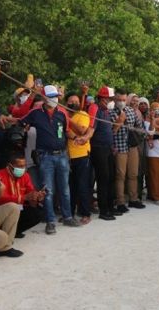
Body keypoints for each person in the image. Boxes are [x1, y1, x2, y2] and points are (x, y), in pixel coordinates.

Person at [21, 85, 80, 234]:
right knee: (48, 190)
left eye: (55, 96)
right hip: (45, 156)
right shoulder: (35, 113)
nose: (54, 99)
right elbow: (20, 121)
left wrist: (77, 138)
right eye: (51, 96)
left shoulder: (62, 112)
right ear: (44, 97)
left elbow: (66, 132)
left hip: (62, 155)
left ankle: (67, 217)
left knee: (64, 189)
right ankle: (50, 221)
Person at [0, 154, 46, 237]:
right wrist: (22, 198)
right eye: (20, 166)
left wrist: (37, 196)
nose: (22, 169)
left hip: (19, 207)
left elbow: (30, 192)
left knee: (37, 213)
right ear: (10, 166)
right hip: (3, 210)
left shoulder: (25, 176)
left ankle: (14, 232)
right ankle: (3, 233)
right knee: (13, 208)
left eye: (24, 166)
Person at [110, 88, 145, 214]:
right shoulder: (110, 113)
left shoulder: (131, 111)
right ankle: (120, 202)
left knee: (133, 174)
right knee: (120, 175)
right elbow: (111, 132)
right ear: (114, 99)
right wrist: (120, 121)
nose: (121, 102)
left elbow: (139, 128)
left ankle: (133, 199)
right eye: (119, 100)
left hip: (132, 146)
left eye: (124, 100)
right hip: (119, 147)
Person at [89, 86, 120, 220]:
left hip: (107, 148)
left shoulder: (106, 111)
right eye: (110, 98)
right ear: (102, 98)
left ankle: (110, 206)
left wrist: (112, 145)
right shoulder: (95, 108)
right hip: (98, 148)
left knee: (111, 177)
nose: (111, 101)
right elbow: (91, 128)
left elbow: (107, 131)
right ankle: (104, 210)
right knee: (103, 179)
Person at [65, 92, 94, 225]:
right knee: (70, 186)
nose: (74, 104)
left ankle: (85, 213)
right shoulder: (61, 115)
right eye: (71, 102)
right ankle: (69, 213)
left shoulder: (83, 114)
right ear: (66, 103)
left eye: (77, 101)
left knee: (83, 185)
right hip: (67, 156)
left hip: (82, 154)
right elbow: (65, 132)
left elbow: (82, 131)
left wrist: (68, 120)